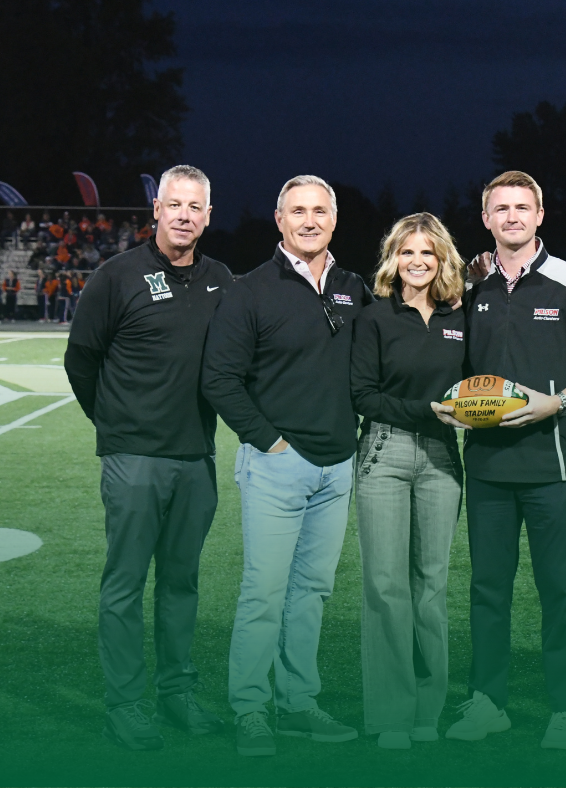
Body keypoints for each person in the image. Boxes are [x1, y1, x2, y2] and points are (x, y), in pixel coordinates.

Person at [433, 171, 566, 750]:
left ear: (540, 216)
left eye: (522, 207)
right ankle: (488, 702)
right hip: (486, 468)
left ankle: (565, 709)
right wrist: (453, 406)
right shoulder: (468, 283)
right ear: (485, 219)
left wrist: (555, 402)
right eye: (499, 209)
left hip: (553, 466)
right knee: (488, 591)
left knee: (559, 591)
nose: (511, 217)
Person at [202, 175, 373, 758]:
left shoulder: (353, 287)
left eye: (319, 211)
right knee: (264, 592)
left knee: (312, 592)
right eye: (297, 211)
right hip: (278, 465)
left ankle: (298, 703)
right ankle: (251, 708)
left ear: (333, 219)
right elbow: (219, 378)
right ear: (278, 220)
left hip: (338, 467)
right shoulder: (249, 290)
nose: (309, 220)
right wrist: (268, 443)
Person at [64, 165, 232, 751]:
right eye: (175, 204)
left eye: (197, 206)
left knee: (181, 585)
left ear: (209, 217)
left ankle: (178, 694)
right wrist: (114, 426)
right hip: (134, 457)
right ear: (155, 210)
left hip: (196, 458)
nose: (185, 215)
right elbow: (80, 360)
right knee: (126, 585)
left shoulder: (221, 280)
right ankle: (126, 705)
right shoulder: (117, 276)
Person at [350, 213, 466, 750]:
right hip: (384, 452)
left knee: (431, 588)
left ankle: (428, 710)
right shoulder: (375, 317)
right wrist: (427, 410)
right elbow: (363, 395)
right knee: (386, 588)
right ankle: (392, 715)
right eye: (406, 252)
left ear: (442, 258)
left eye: (427, 253)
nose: (417, 262)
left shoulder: (459, 317)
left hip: (443, 457)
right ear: (392, 258)